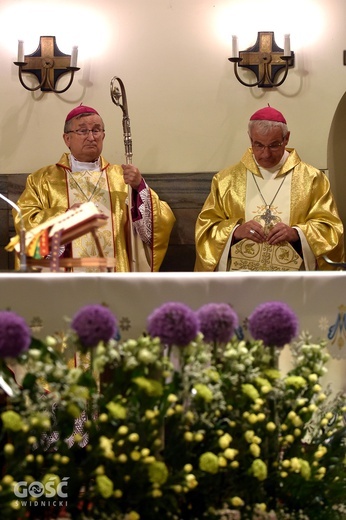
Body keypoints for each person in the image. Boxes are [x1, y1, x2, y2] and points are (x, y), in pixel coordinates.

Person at [13, 104, 175, 272]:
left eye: (96, 130)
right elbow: (25, 221)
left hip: (114, 276)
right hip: (64, 281)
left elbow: (161, 223)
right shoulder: (42, 179)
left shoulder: (123, 178)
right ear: (67, 139)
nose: (91, 137)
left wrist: (139, 188)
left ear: (103, 136)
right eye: (83, 131)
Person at [194, 106, 344, 272]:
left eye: (274, 145)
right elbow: (206, 229)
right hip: (241, 279)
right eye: (258, 145)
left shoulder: (312, 179)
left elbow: (330, 229)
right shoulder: (226, 180)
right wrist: (235, 231)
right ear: (250, 139)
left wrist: (297, 233)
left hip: (292, 279)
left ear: (286, 139)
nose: (265, 154)